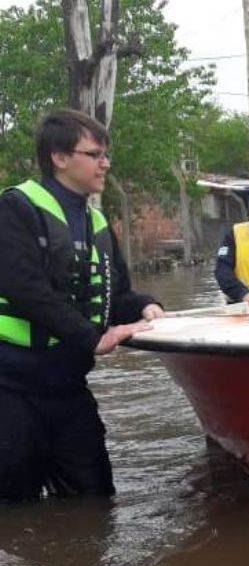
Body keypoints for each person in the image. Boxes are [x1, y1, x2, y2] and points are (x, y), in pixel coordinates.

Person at [0, 109, 164, 501]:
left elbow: (116, 296)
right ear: (59, 157)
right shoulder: (15, 208)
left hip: (69, 389)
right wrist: (91, 339)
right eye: (94, 154)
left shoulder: (97, 223)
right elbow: (25, 289)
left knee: (95, 501)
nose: (105, 163)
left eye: (106, 155)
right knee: (14, 511)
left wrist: (147, 306)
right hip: (11, 391)